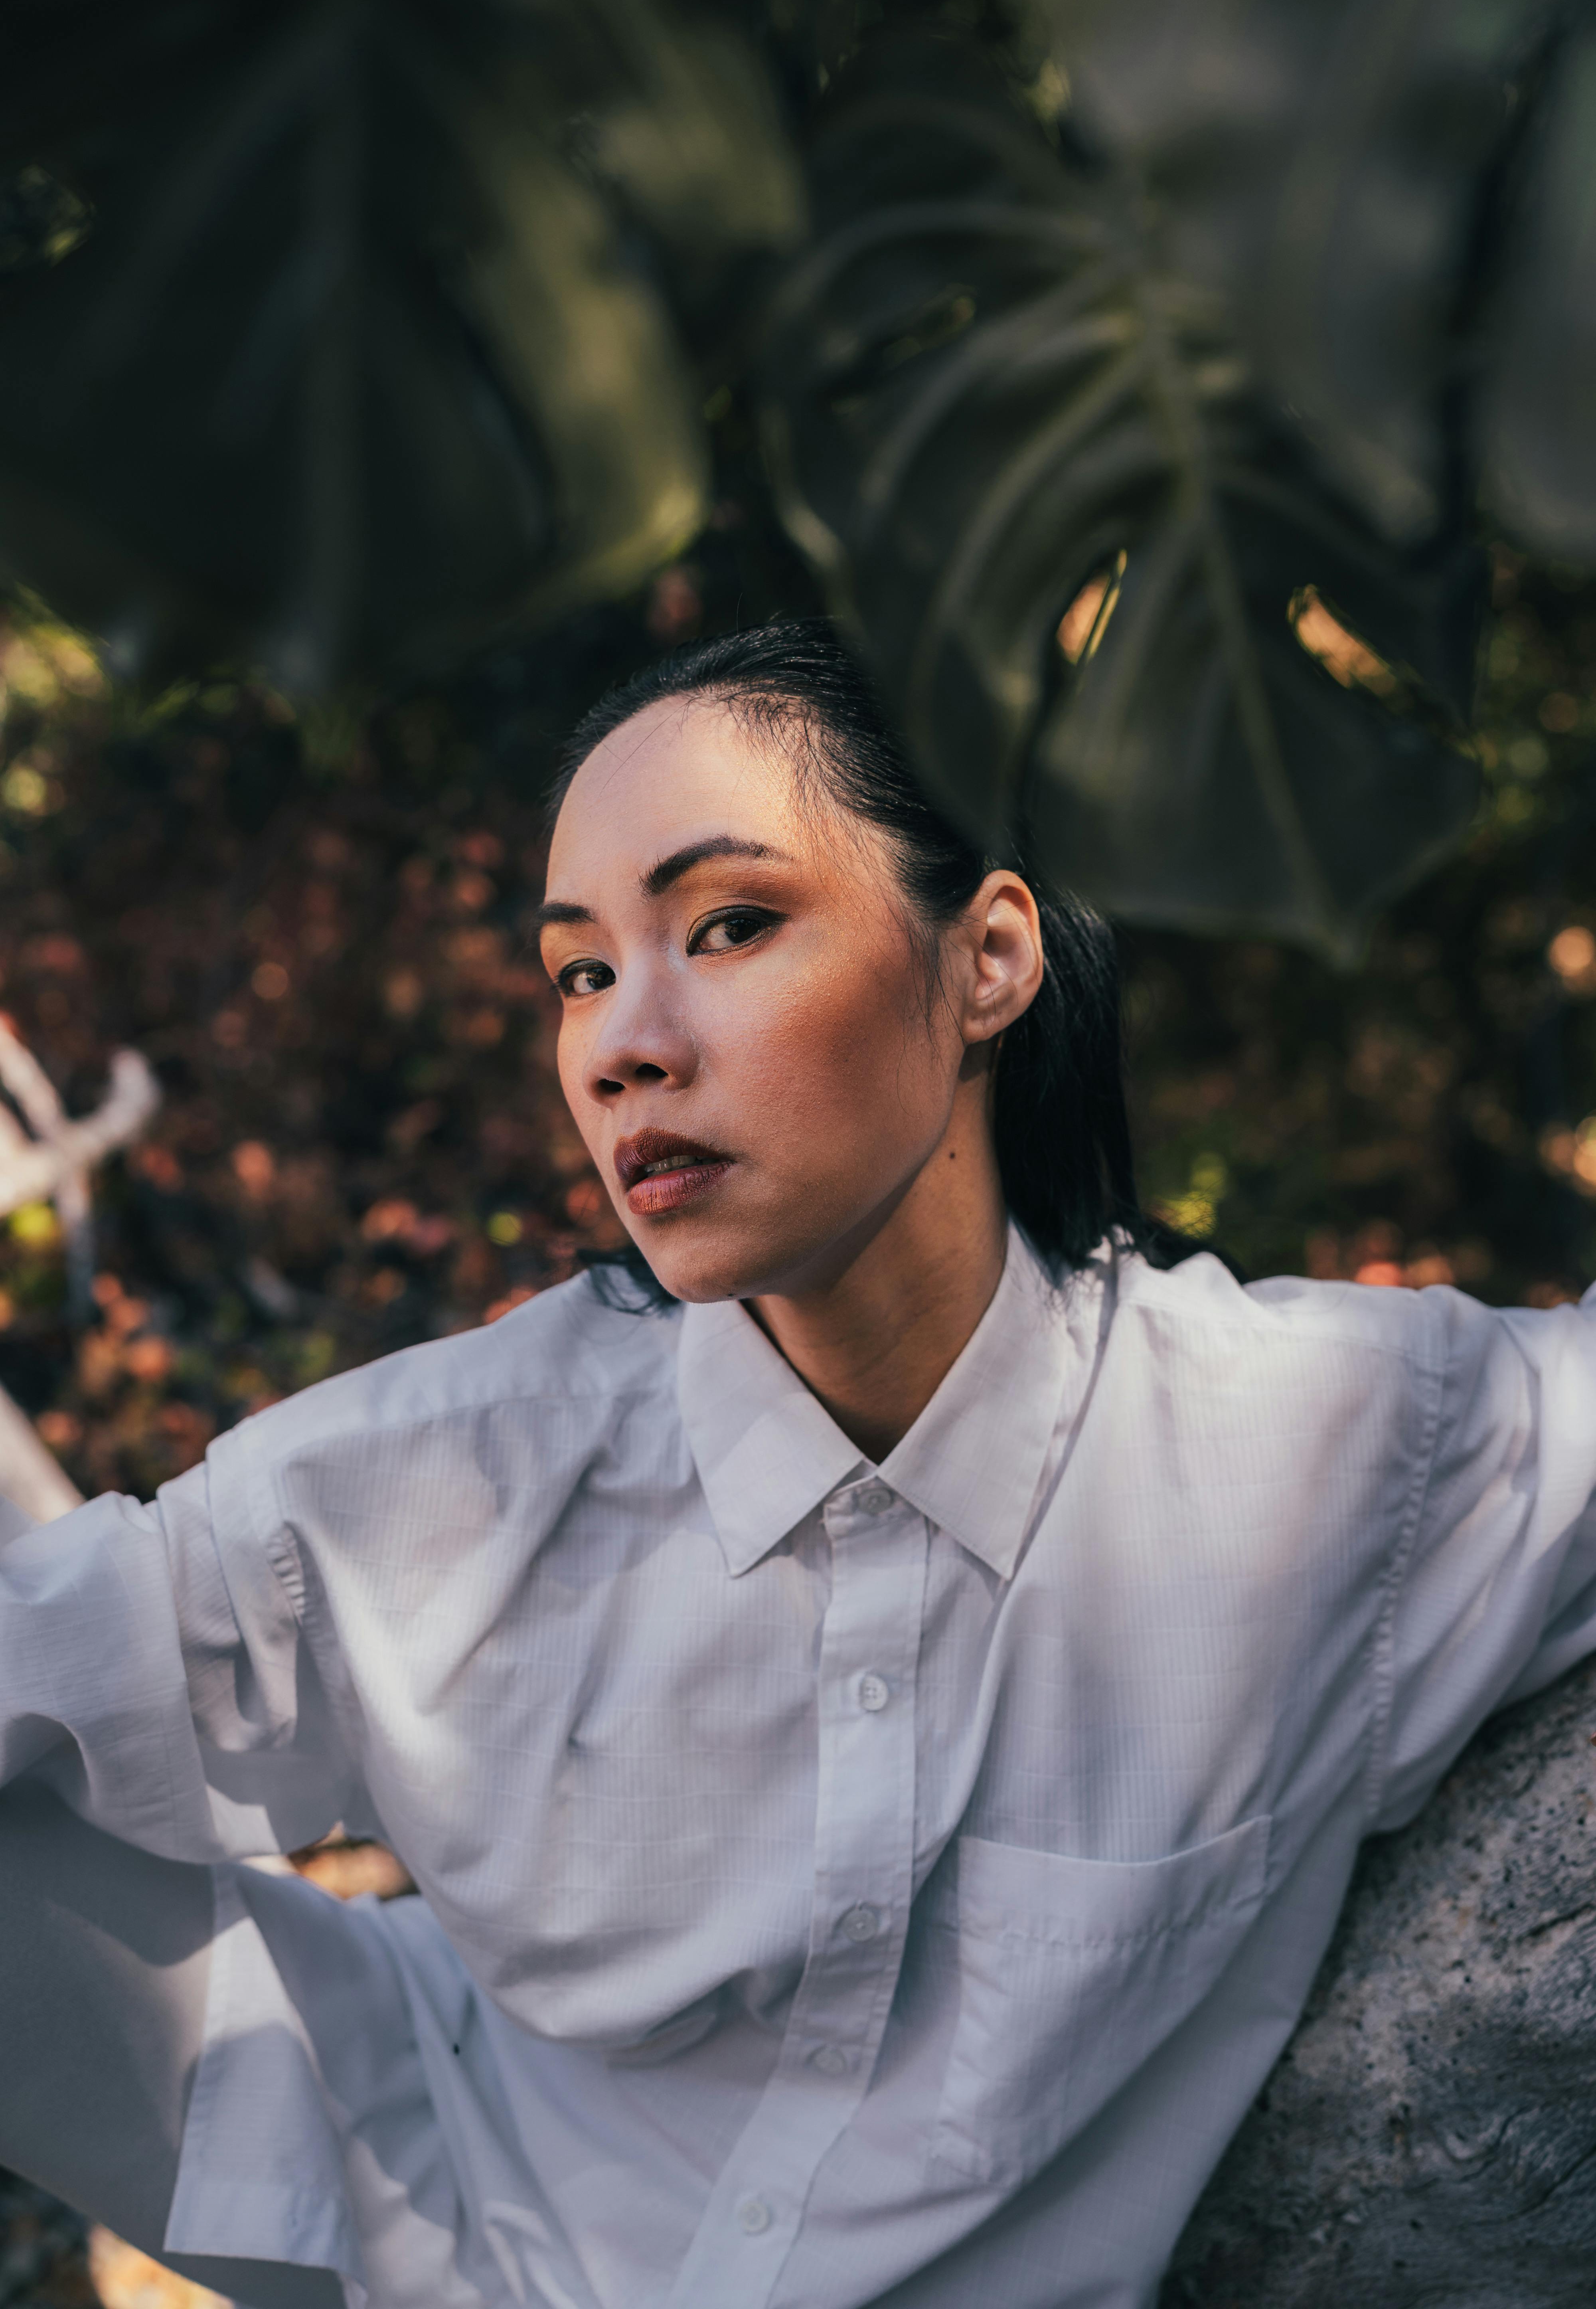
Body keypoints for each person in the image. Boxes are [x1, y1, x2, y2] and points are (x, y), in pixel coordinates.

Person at [1, 616, 1594, 2309]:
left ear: (986, 958)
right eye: (582, 971)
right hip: (428, 2203)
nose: (623, 1042)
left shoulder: (1324, 1449)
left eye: (730, 924)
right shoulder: (444, 1473)